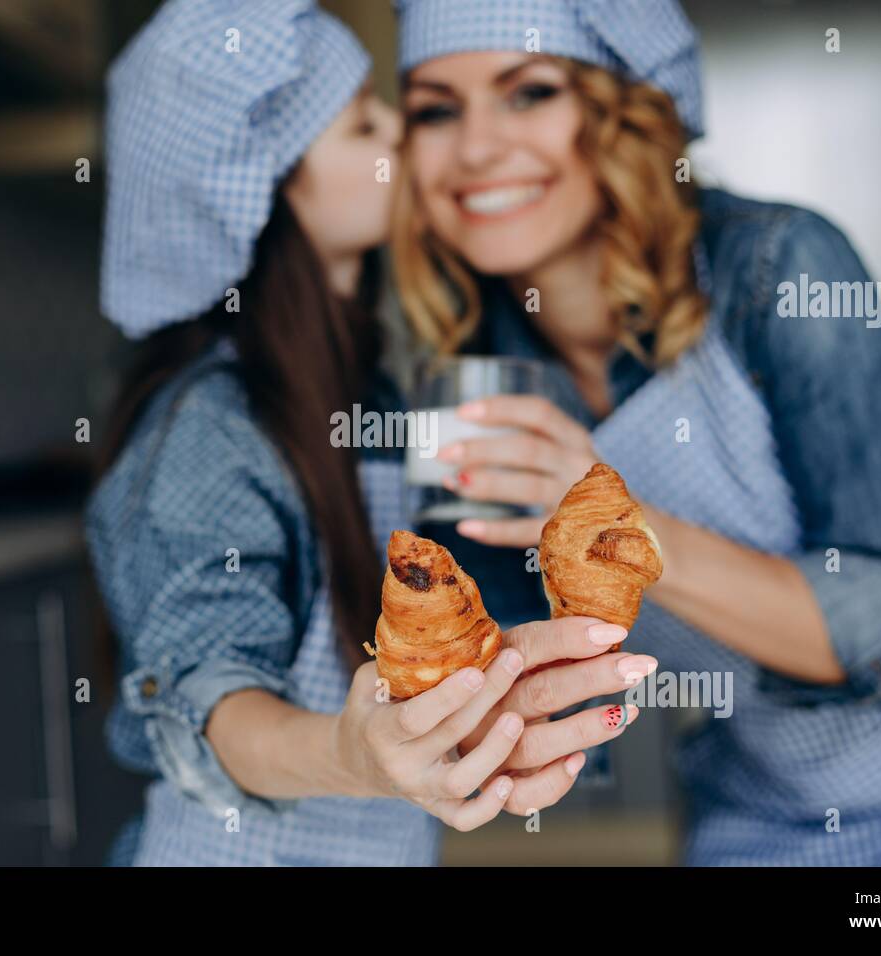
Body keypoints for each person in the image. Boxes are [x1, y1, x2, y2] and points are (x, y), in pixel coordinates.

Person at [390, 0, 881, 864]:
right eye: (436, 108)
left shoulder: (779, 266)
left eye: (529, 93)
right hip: (768, 803)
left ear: (619, 112)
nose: (475, 147)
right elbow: (536, 691)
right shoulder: (466, 367)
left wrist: (618, 526)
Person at [86, 0, 655, 866]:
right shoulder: (214, 423)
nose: (402, 133)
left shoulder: (374, 389)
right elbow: (212, 697)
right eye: (362, 125)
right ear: (263, 186)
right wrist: (357, 753)